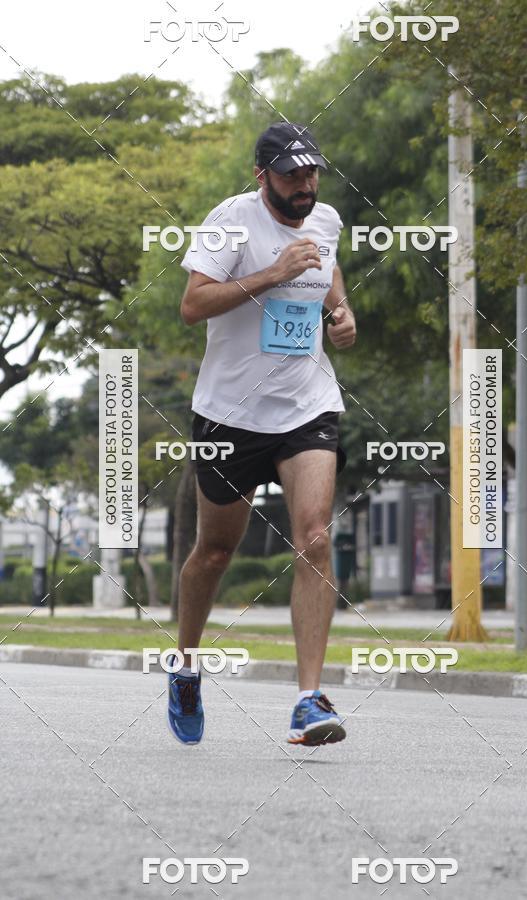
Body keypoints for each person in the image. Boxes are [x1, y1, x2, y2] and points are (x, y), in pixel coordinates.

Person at [166, 122, 357, 746]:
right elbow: (194, 305)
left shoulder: (325, 220)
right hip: (230, 414)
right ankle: (187, 665)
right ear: (262, 177)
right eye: (292, 174)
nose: (306, 185)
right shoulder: (230, 221)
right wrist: (272, 274)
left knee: (316, 538)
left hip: (307, 404)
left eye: (312, 173)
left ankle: (308, 700)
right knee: (214, 554)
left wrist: (339, 311)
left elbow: (327, 273)